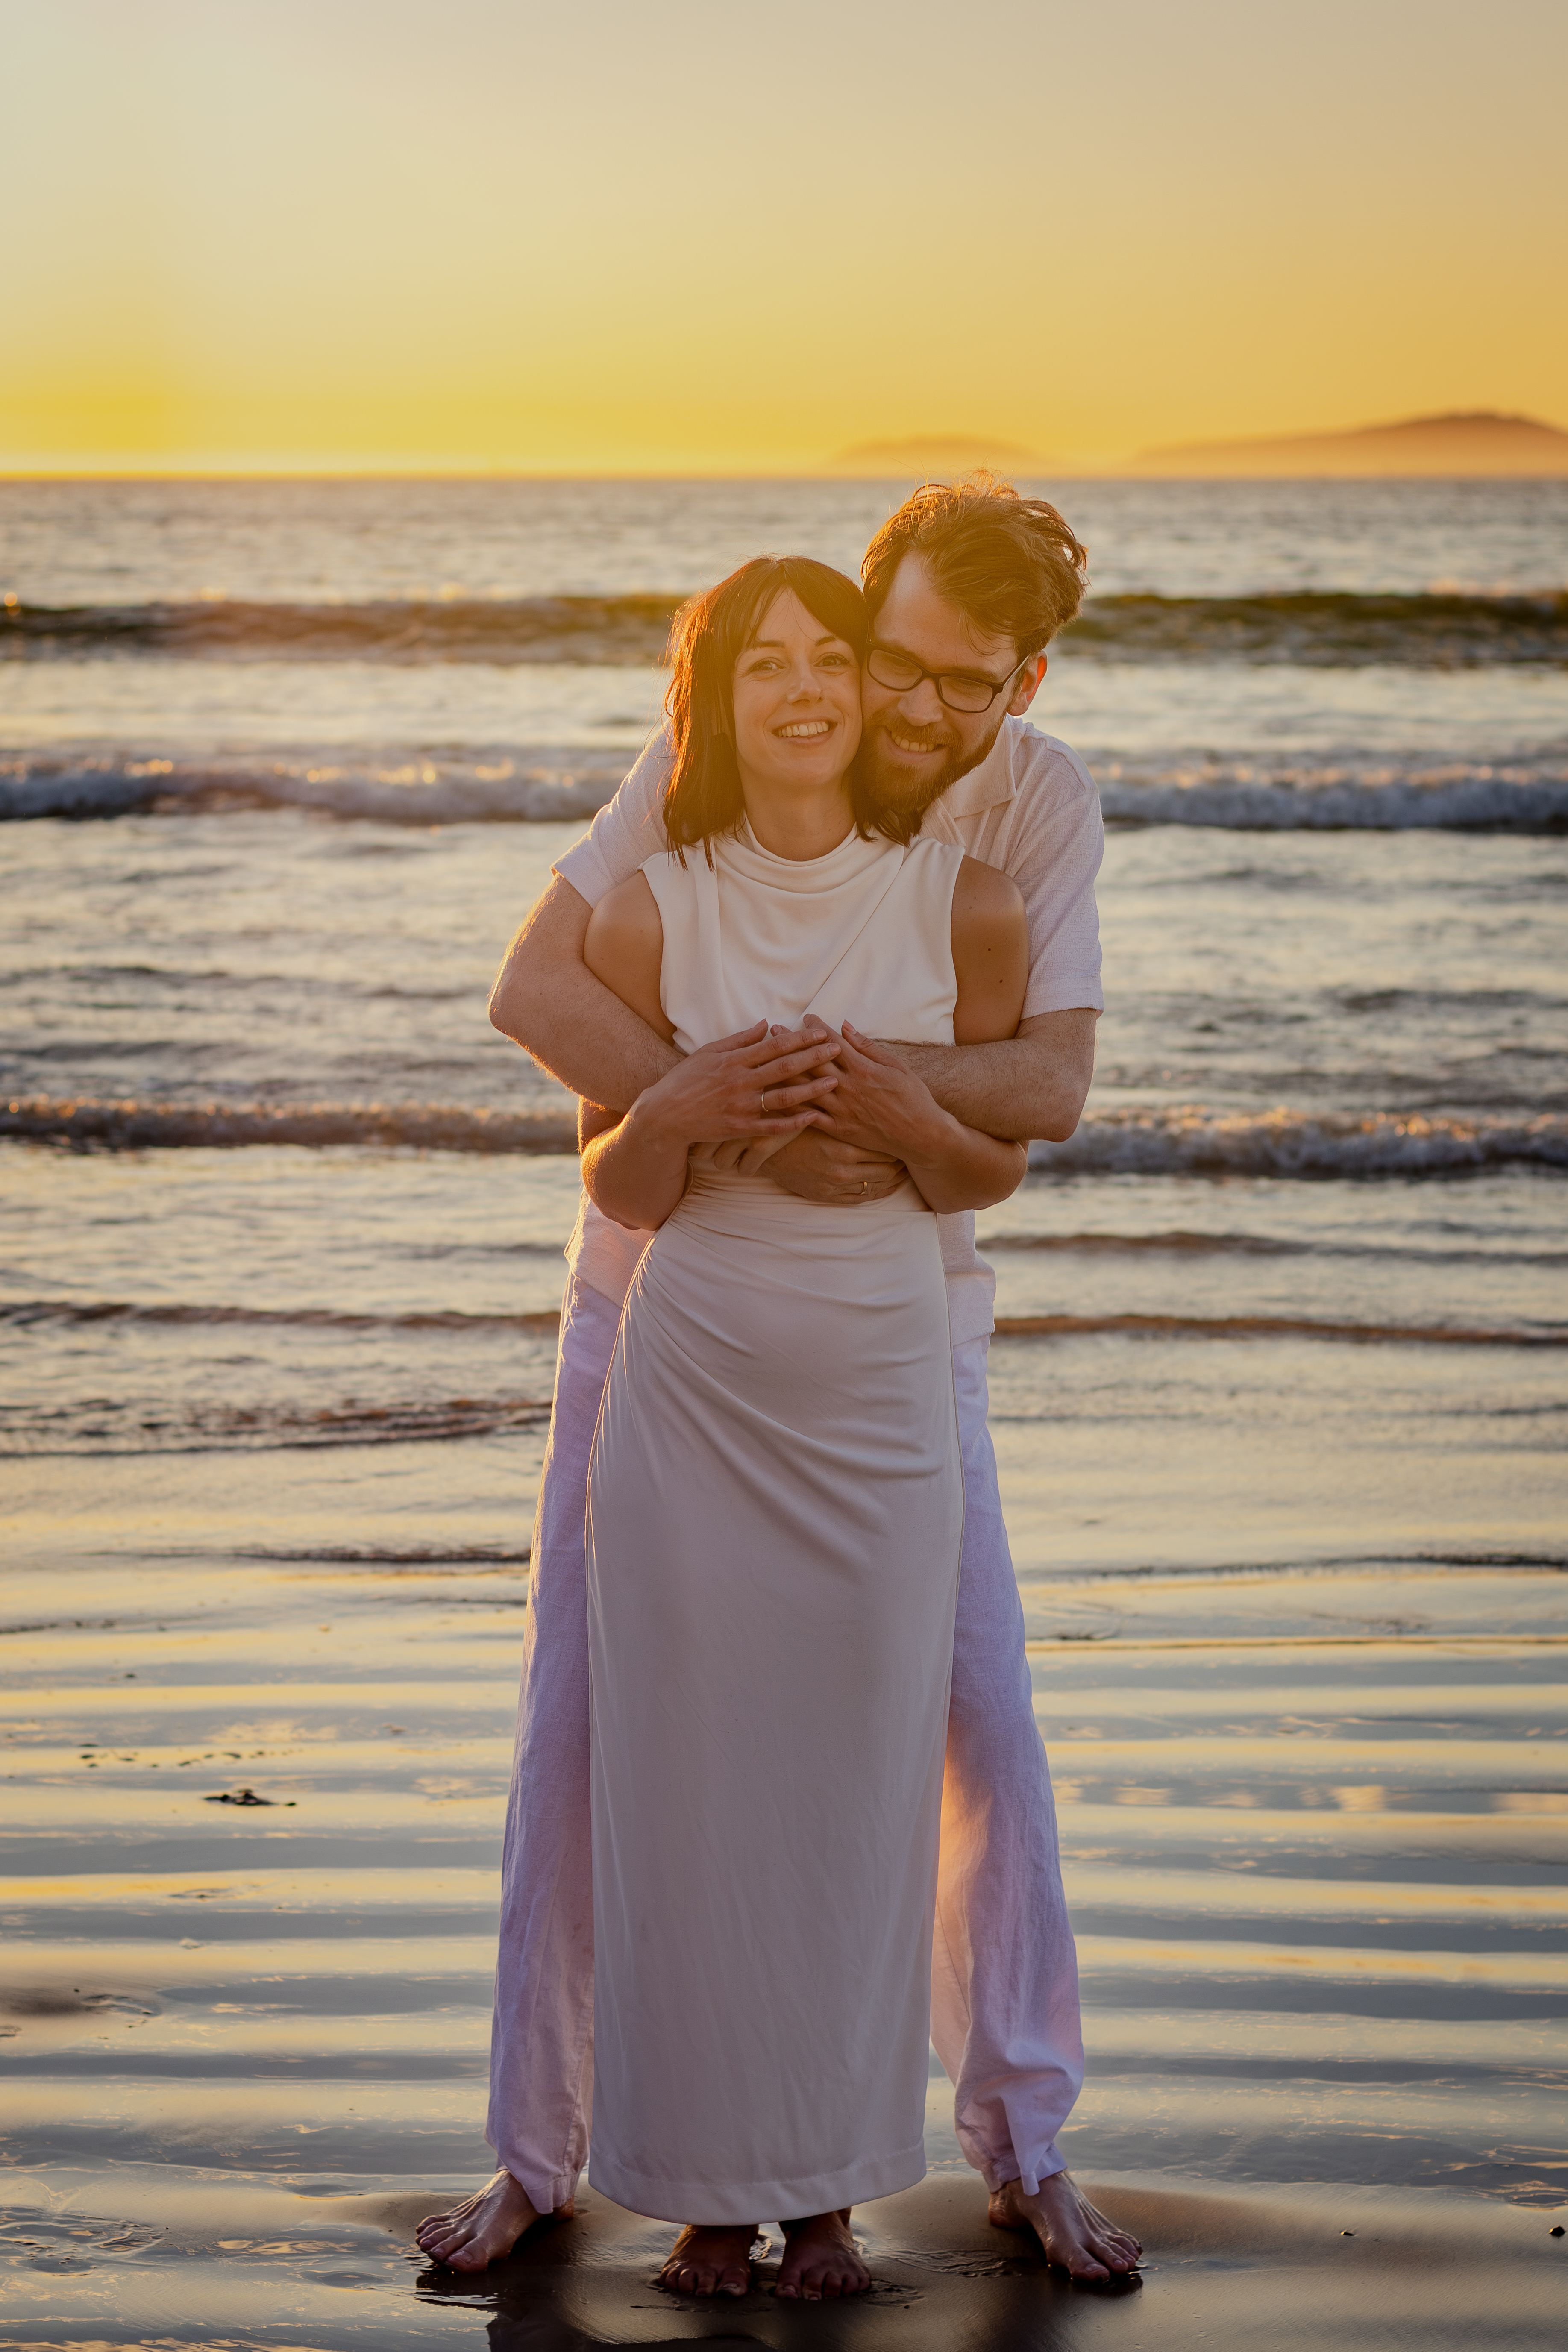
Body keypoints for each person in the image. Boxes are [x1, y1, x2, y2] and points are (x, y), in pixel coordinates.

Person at [417, 479, 1142, 2295]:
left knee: (983, 1725)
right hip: (655, 1318)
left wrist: (868, 1095)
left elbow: (1047, 1090)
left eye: (957, 688)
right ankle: (539, 2150)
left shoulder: (1033, 811)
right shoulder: (715, 760)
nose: (902, 710)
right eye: (888, 657)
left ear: (1022, 685)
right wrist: (720, 1105)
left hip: (908, 1344)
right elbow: (533, 985)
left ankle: (1022, 2146)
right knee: (582, 1727)